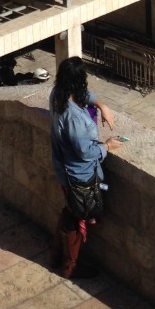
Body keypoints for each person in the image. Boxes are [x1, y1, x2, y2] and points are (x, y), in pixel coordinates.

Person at [49, 56, 124, 279]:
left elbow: (85, 96)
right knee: (77, 217)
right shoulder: (73, 117)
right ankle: (70, 267)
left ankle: (56, 255)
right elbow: (85, 152)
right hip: (79, 177)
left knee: (70, 211)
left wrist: (101, 105)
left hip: (65, 171)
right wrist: (107, 146)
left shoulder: (57, 95)